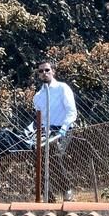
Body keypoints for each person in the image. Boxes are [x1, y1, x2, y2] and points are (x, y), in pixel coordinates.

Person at [33, 59, 77, 202]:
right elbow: (39, 119)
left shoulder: (62, 88)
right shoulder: (37, 97)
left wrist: (63, 128)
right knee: (37, 157)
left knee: (53, 154)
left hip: (64, 129)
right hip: (47, 131)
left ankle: (66, 189)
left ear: (53, 71)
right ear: (38, 75)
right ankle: (48, 196)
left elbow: (72, 111)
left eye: (47, 70)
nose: (44, 73)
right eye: (41, 71)